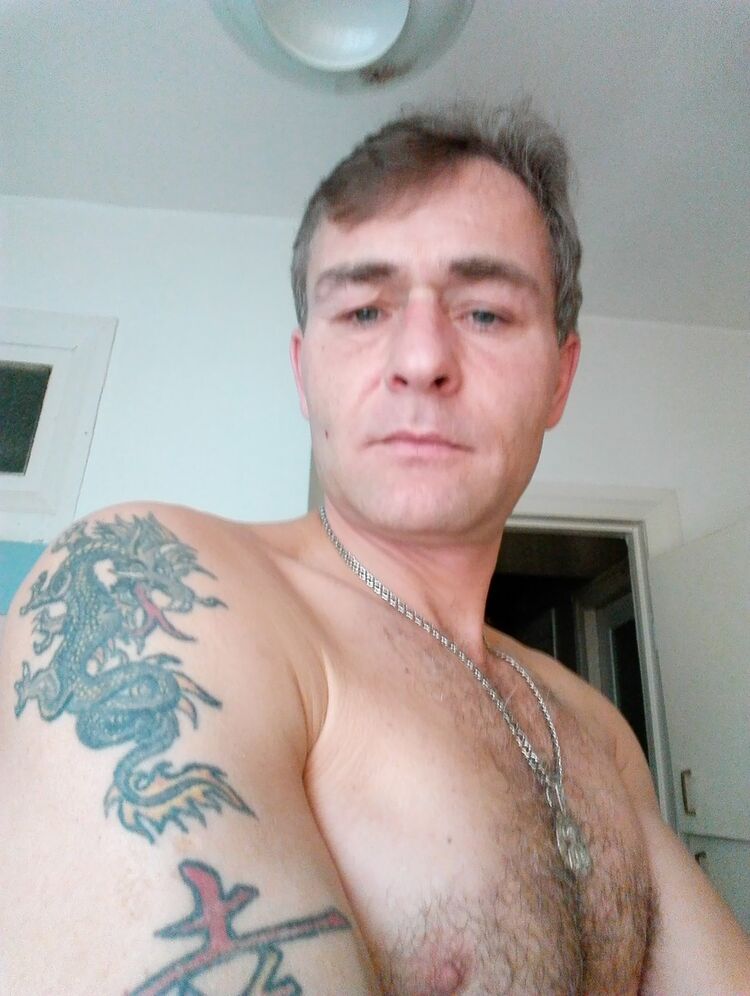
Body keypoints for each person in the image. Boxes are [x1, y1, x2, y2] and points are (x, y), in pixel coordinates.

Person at [1, 105, 748, 995]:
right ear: (303, 370)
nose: (421, 359)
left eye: (484, 311)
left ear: (560, 376)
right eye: (362, 310)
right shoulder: (172, 594)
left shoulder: (597, 730)